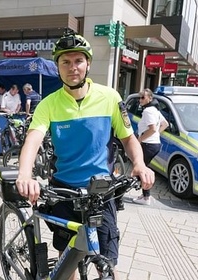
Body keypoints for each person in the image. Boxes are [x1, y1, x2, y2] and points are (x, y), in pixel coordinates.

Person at [15, 30, 155, 280]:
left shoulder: (110, 97)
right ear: (57, 66)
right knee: (66, 261)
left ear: (88, 63)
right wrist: (25, 174)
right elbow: (33, 139)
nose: (72, 68)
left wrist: (139, 164)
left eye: (78, 61)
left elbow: (128, 137)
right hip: (64, 192)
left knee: (107, 266)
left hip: (101, 193)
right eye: (65, 62)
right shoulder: (49, 103)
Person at [133, 88, 169, 206]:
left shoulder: (148, 111)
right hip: (154, 144)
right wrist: (156, 134)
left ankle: (146, 196)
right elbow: (165, 124)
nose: (140, 99)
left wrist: (140, 139)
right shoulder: (155, 110)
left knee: (142, 169)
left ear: (150, 98)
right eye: (140, 97)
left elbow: (152, 128)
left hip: (148, 145)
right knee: (144, 167)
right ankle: (145, 194)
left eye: (143, 97)